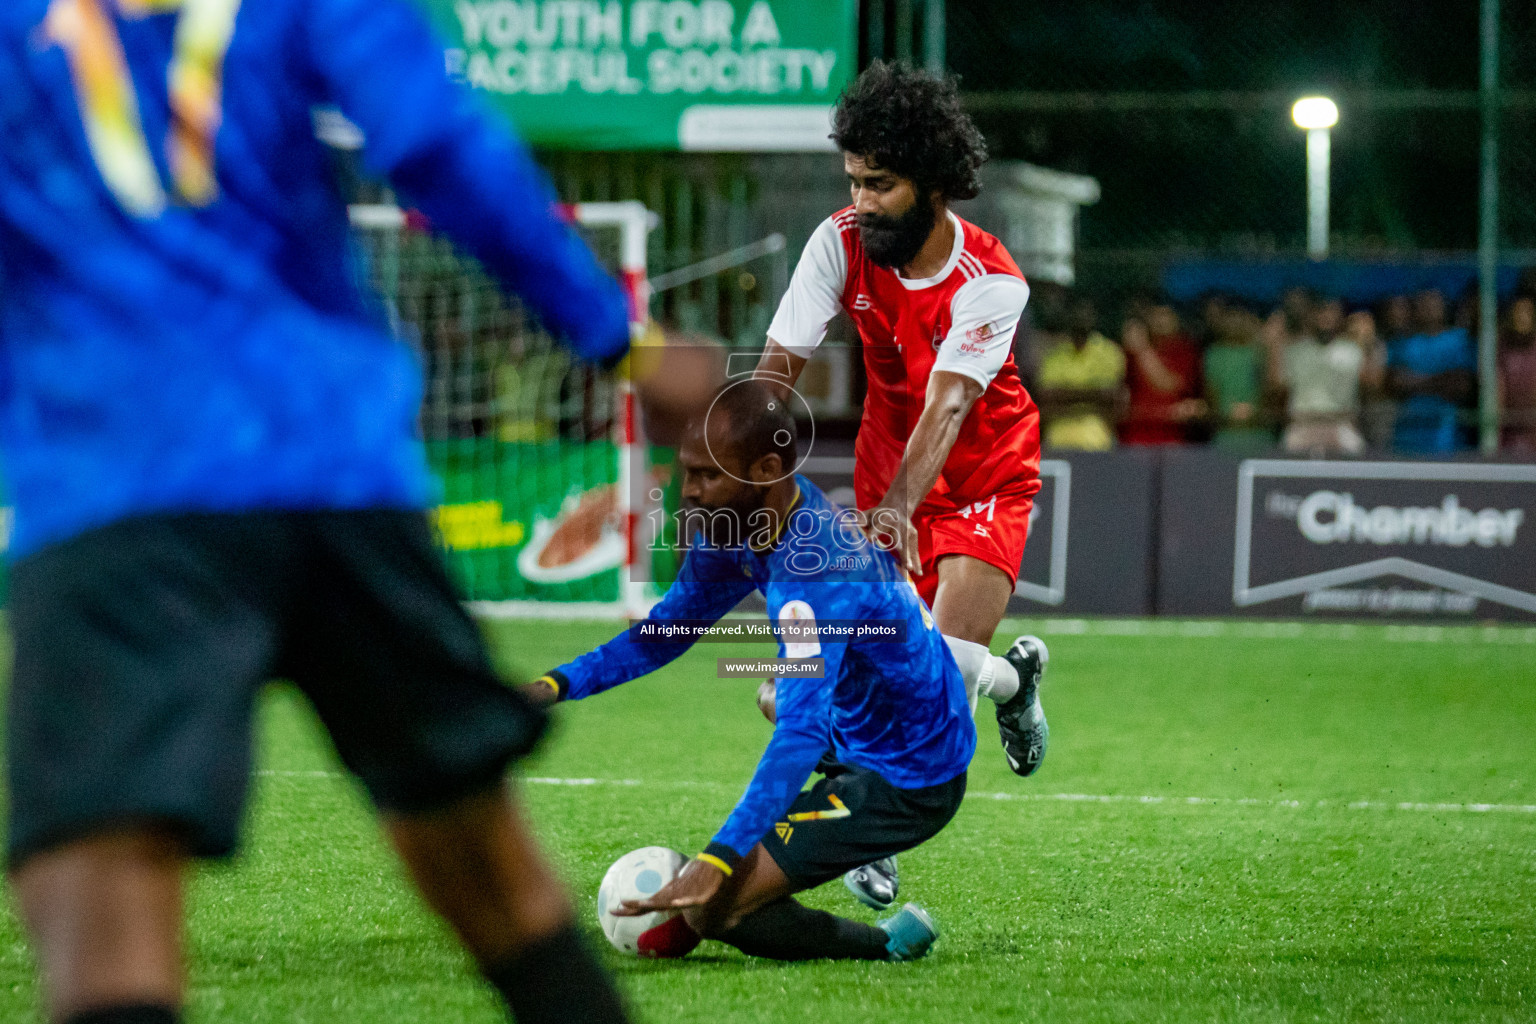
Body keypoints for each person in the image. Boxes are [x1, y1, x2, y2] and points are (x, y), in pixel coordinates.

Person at [0, 3, 716, 1023]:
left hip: (115, 488)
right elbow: (434, 141)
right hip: (330, 468)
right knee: (485, 864)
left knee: (102, 898)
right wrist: (622, 340)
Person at [527, 382, 1016, 964]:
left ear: (765, 470)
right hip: (859, 720)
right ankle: (841, 824)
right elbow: (664, 634)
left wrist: (716, 858)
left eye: (708, 475)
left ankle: (887, 941)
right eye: (688, 472)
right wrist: (554, 685)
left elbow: (802, 735)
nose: (691, 493)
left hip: (912, 773)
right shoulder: (738, 526)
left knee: (711, 911)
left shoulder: (820, 569)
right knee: (770, 690)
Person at [748, 62, 1050, 804]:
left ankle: (864, 820)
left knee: (929, 681)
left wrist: (896, 508)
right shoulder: (839, 242)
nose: (861, 202)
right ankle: (1013, 684)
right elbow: (774, 373)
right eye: (854, 181)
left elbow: (948, 405)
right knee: (780, 692)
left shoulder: (991, 279)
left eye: (880, 184)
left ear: (933, 185)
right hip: (888, 479)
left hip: (982, 480)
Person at [1265, 297, 1383, 456]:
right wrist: (1274, 343)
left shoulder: (1353, 350)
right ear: (1311, 315)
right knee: (1284, 459)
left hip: (1341, 424)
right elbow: (1276, 385)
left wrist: (1368, 344)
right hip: (1303, 425)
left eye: (1332, 311)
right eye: (1321, 311)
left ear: (1341, 317)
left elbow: (1372, 386)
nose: (1326, 317)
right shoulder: (1295, 350)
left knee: (1358, 457)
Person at [1387, 288, 1477, 453]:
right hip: (1407, 440)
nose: (1429, 308)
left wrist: (1414, 382)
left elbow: (1461, 385)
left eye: (1434, 303)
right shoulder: (1403, 342)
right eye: (1424, 303)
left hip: (1448, 440)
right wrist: (1440, 380)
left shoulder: (1459, 340)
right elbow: (1395, 383)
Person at [1035, 295, 1126, 451]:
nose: (1081, 317)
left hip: (1097, 439)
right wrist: (1093, 394)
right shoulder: (1055, 355)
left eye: (1086, 312)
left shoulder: (1110, 352)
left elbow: (1112, 397)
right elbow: (1046, 396)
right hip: (1057, 439)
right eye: (1076, 312)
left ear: (1095, 317)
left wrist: (1063, 395)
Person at [1119, 300, 1206, 446]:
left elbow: (1169, 385)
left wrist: (1142, 350)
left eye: (1166, 315)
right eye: (1156, 315)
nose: (1161, 320)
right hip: (1135, 437)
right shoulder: (1129, 353)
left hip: (1171, 437)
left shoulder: (1185, 350)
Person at [1202, 301, 1273, 454]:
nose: (1234, 323)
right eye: (1229, 318)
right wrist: (1227, 410)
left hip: (1255, 429)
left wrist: (1253, 409)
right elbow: (1211, 391)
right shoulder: (1214, 354)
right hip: (1226, 429)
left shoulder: (1258, 352)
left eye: (1238, 318)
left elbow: (1268, 385)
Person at [1499, 292, 1536, 453]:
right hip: (1508, 432)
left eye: (1527, 312)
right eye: (1517, 312)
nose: (1522, 317)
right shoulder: (1500, 349)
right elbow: (1497, 393)